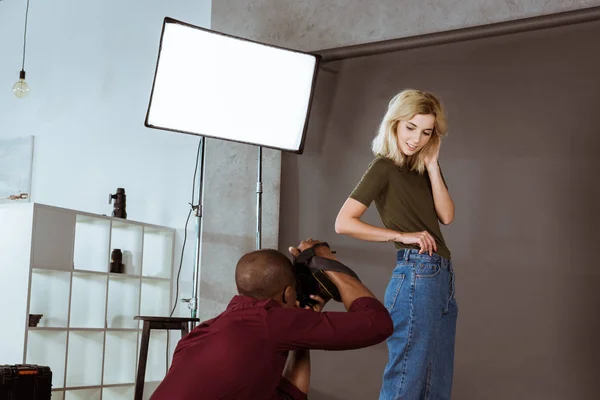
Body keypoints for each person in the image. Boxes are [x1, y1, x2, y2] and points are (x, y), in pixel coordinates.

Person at [150, 239, 393, 400]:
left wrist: (302, 335)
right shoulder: (271, 321)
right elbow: (378, 323)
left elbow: (289, 397)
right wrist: (327, 261)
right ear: (288, 292)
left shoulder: (200, 334)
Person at [335, 89, 457, 400]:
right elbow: (344, 222)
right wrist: (400, 235)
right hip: (417, 272)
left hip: (441, 275)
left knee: (436, 383)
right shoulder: (384, 166)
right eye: (411, 127)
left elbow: (447, 215)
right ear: (395, 124)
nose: (416, 139)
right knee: (407, 377)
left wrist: (432, 165)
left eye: (426, 132)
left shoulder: (423, 168)